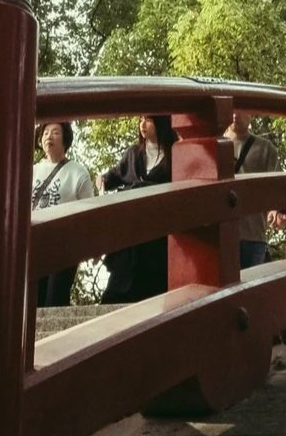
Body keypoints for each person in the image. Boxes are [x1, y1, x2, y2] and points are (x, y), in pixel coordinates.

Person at [99, 114, 176, 303]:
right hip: (132, 231)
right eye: (140, 119)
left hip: (158, 233)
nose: (143, 124)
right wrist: (102, 180)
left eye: (148, 120)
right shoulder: (133, 153)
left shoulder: (175, 153)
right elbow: (113, 176)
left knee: (153, 283)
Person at [30, 121, 96, 307]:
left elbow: (89, 212)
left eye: (55, 132)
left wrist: (91, 245)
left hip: (64, 243)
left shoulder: (77, 172)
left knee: (55, 297)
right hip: (36, 243)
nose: (49, 136)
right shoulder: (31, 171)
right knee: (34, 300)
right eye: (45, 133)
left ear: (65, 139)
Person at [227, 117, 282, 269]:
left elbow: (277, 188)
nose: (236, 114)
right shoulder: (214, 145)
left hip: (253, 235)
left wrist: (275, 209)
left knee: (250, 288)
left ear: (251, 112)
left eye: (241, 108)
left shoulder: (265, 148)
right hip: (222, 235)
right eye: (231, 107)